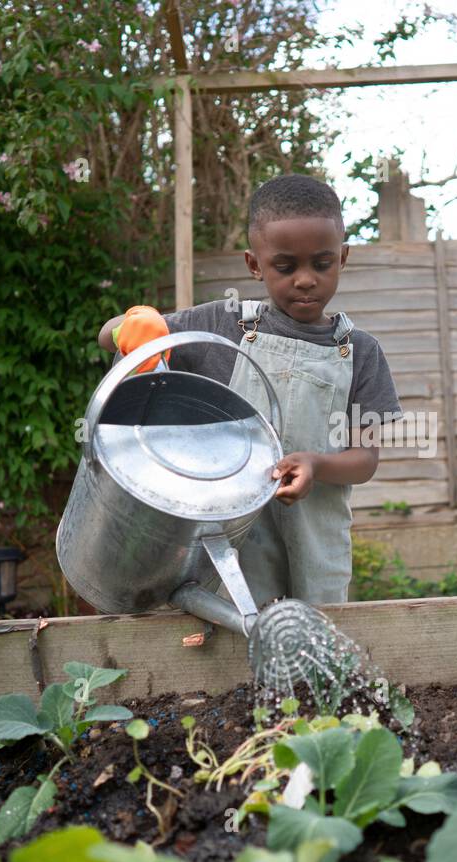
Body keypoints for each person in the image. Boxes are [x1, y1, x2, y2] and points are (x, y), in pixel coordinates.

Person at [97, 173, 401, 607]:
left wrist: (316, 464)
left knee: (313, 645)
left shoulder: (361, 352)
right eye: (285, 265)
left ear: (343, 257)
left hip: (316, 542)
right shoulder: (225, 323)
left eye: (321, 263)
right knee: (233, 639)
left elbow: (365, 461)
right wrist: (137, 325)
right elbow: (107, 335)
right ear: (254, 264)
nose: (305, 279)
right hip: (229, 546)